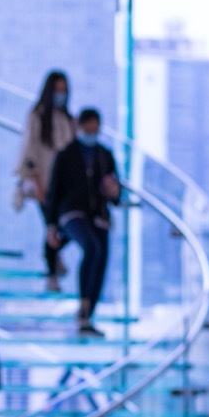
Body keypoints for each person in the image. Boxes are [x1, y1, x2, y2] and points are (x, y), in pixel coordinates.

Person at [44, 107, 122, 338]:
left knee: (101, 257)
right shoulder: (66, 154)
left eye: (95, 130)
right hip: (71, 213)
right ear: (79, 127)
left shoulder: (104, 155)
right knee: (92, 248)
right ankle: (83, 307)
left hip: (98, 215)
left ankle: (87, 314)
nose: (91, 133)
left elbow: (115, 193)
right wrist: (50, 224)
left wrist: (113, 192)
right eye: (88, 129)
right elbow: (53, 192)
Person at [15, 70, 77, 292]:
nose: (60, 95)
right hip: (43, 182)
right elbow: (30, 150)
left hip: (64, 185)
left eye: (64, 91)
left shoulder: (69, 120)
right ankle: (52, 272)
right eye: (57, 90)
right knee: (52, 226)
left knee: (59, 228)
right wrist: (36, 182)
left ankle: (54, 259)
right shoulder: (37, 116)